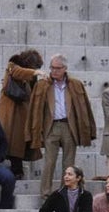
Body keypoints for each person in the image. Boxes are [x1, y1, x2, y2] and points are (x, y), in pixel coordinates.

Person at [27, 54, 96, 198]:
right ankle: (45, 194)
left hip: (69, 126)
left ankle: (64, 192)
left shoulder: (75, 84)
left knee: (68, 163)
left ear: (65, 68)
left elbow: (85, 108)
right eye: (52, 68)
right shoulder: (43, 85)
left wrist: (87, 129)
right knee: (49, 162)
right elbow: (34, 109)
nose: (54, 71)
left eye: (58, 68)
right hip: (51, 127)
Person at [0, 49, 44, 180]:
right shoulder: (13, 66)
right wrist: (35, 72)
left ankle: (17, 169)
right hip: (12, 111)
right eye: (34, 67)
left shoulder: (29, 75)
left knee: (20, 141)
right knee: (13, 141)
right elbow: (18, 72)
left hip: (23, 112)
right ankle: (16, 170)